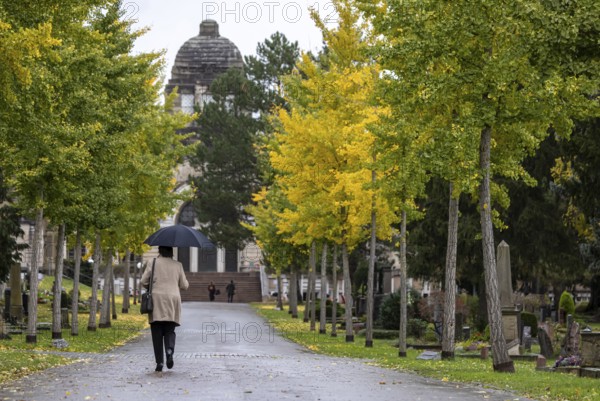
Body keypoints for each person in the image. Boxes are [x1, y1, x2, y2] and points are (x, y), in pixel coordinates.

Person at [141, 246, 189, 372]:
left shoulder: (153, 262)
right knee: (170, 328)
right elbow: (184, 285)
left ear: (160, 251)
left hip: (156, 299)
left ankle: (159, 363)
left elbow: (143, 281)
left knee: (156, 330)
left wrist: (151, 284)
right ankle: (169, 350)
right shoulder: (178, 265)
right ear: (171, 251)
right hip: (173, 299)